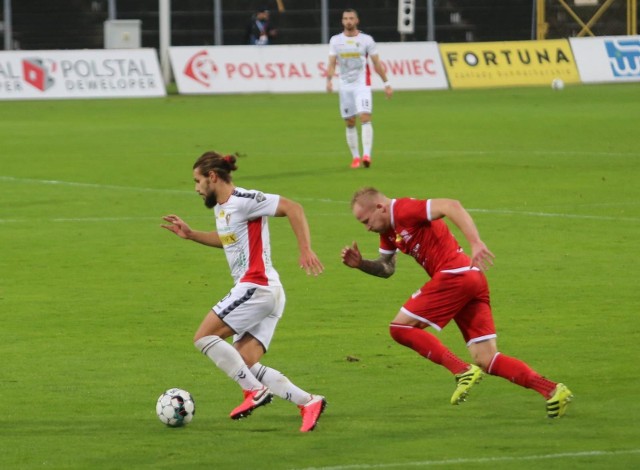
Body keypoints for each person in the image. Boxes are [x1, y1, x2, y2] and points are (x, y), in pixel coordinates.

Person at [341, 187, 573, 418]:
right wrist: (361, 264)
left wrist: (476, 243)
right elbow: (387, 268)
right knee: (486, 359)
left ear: (380, 207)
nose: (367, 227)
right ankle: (552, 390)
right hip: (470, 279)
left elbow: (451, 205)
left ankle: (461, 370)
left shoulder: (404, 209)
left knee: (400, 327)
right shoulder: (389, 229)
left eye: (366, 221)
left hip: (456, 275)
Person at [161, 151, 327, 432]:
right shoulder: (221, 207)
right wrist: (191, 235)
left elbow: (293, 208)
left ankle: (254, 392)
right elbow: (227, 239)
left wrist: (305, 249)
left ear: (213, 177)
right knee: (243, 362)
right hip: (266, 291)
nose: (196, 188)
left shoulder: (245, 200)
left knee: (204, 337)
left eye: (198, 181)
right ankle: (308, 401)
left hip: (256, 286)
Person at [326, 9, 393, 169]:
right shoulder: (335, 40)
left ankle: (367, 155)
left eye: (351, 18)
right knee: (350, 122)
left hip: (362, 85)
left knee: (365, 117)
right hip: (345, 87)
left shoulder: (366, 40)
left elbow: (377, 63)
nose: (348, 21)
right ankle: (355, 157)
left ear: (357, 21)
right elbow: (332, 63)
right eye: (345, 18)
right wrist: (329, 80)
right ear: (342, 21)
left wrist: (386, 83)